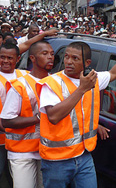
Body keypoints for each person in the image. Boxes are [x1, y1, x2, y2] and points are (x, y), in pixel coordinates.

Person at [36, 41, 116, 187]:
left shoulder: (92, 79)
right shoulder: (51, 84)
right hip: (57, 160)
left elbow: (114, 73)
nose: (68, 61)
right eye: (67, 57)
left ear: (87, 63)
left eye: (75, 58)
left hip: (84, 155)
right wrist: (82, 89)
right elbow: (54, 117)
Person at [0, 41, 54, 188]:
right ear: (32, 58)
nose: (50, 57)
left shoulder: (55, 82)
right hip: (22, 152)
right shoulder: (19, 85)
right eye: (45, 54)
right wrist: (37, 118)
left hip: (46, 149)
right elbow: (6, 121)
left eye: (52, 54)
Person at [0, 42, 29, 185]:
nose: (5, 61)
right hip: (2, 141)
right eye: (2, 57)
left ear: (18, 59)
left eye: (10, 58)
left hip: (20, 142)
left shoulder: (26, 75)